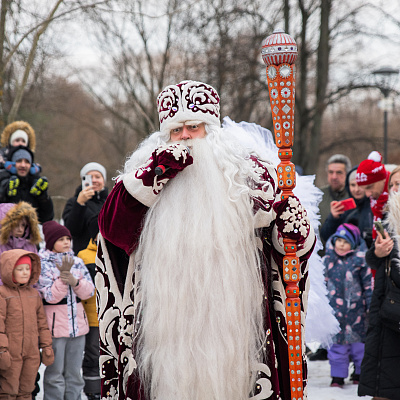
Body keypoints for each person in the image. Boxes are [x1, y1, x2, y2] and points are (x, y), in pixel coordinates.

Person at [96, 80, 316, 400]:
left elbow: (289, 252)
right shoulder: (146, 174)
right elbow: (113, 229)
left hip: (237, 331)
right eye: (176, 130)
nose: (184, 136)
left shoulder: (251, 177)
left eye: (194, 127)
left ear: (210, 130)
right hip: (164, 332)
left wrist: (294, 230)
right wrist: (157, 171)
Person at [35, 220, 95, 400]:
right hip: (55, 328)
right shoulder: (42, 263)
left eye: (68, 238)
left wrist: (75, 282)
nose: (66, 242)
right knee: (55, 373)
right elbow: (49, 296)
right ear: (51, 241)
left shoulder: (76, 261)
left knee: (74, 373)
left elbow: (89, 291)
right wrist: (63, 280)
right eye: (61, 239)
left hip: (78, 327)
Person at [358, 167, 400, 400]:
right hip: (383, 308)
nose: (395, 189)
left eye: (399, 184)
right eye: (392, 184)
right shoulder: (388, 218)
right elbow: (373, 261)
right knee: (381, 383)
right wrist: (377, 251)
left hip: (395, 310)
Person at [0, 249, 54, 398]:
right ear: (9, 270)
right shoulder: (2, 294)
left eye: (28, 268)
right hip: (11, 354)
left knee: (27, 390)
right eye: (20, 269)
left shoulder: (34, 294)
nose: (25, 272)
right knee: (8, 390)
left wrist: (46, 346)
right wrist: (2, 350)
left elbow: (42, 323)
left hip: (31, 354)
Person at [323, 223, 372, 388]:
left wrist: (370, 306)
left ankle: (360, 373)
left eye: (346, 241)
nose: (341, 244)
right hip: (334, 315)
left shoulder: (361, 260)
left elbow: (368, 285)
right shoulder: (328, 259)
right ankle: (337, 376)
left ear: (354, 243)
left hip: (357, 314)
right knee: (336, 346)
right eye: (339, 240)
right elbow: (322, 284)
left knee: (360, 348)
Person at [77, 217, 101, 400]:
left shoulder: (115, 252)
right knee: (92, 354)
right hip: (91, 316)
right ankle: (93, 390)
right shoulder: (84, 256)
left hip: (112, 315)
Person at [320, 166, 373, 248]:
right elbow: (326, 236)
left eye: (360, 185)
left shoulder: (374, 205)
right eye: (353, 185)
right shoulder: (344, 205)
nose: (356, 189)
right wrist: (333, 218)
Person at [62, 162, 108, 254]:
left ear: (103, 180)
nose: (94, 180)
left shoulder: (110, 202)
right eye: (89, 177)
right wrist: (79, 204)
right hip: (83, 258)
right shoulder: (73, 202)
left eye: (98, 177)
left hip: (108, 256)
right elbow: (71, 231)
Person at [0, 145, 54, 223]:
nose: (23, 165)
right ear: (12, 164)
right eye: (19, 161)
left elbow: (47, 218)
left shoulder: (36, 185)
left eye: (27, 162)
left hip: (30, 231)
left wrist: (43, 198)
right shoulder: (2, 180)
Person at [319, 154, 352, 228]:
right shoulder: (318, 195)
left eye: (339, 172)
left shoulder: (354, 195)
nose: (334, 177)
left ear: (347, 174)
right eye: (331, 172)